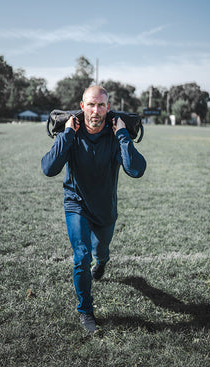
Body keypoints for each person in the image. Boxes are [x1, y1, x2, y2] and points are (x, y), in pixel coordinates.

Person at [41, 85, 146, 333]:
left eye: (101, 105)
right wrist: (66, 135)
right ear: (82, 106)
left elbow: (136, 170)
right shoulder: (72, 131)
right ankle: (86, 310)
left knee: (101, 250)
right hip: (76, 203)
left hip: (105, 207)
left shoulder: (115, 133)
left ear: (108, 108)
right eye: (91, 104)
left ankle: (102, 260)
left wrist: (123, 136)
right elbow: (48, 168)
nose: (95, 110)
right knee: (81, 257)